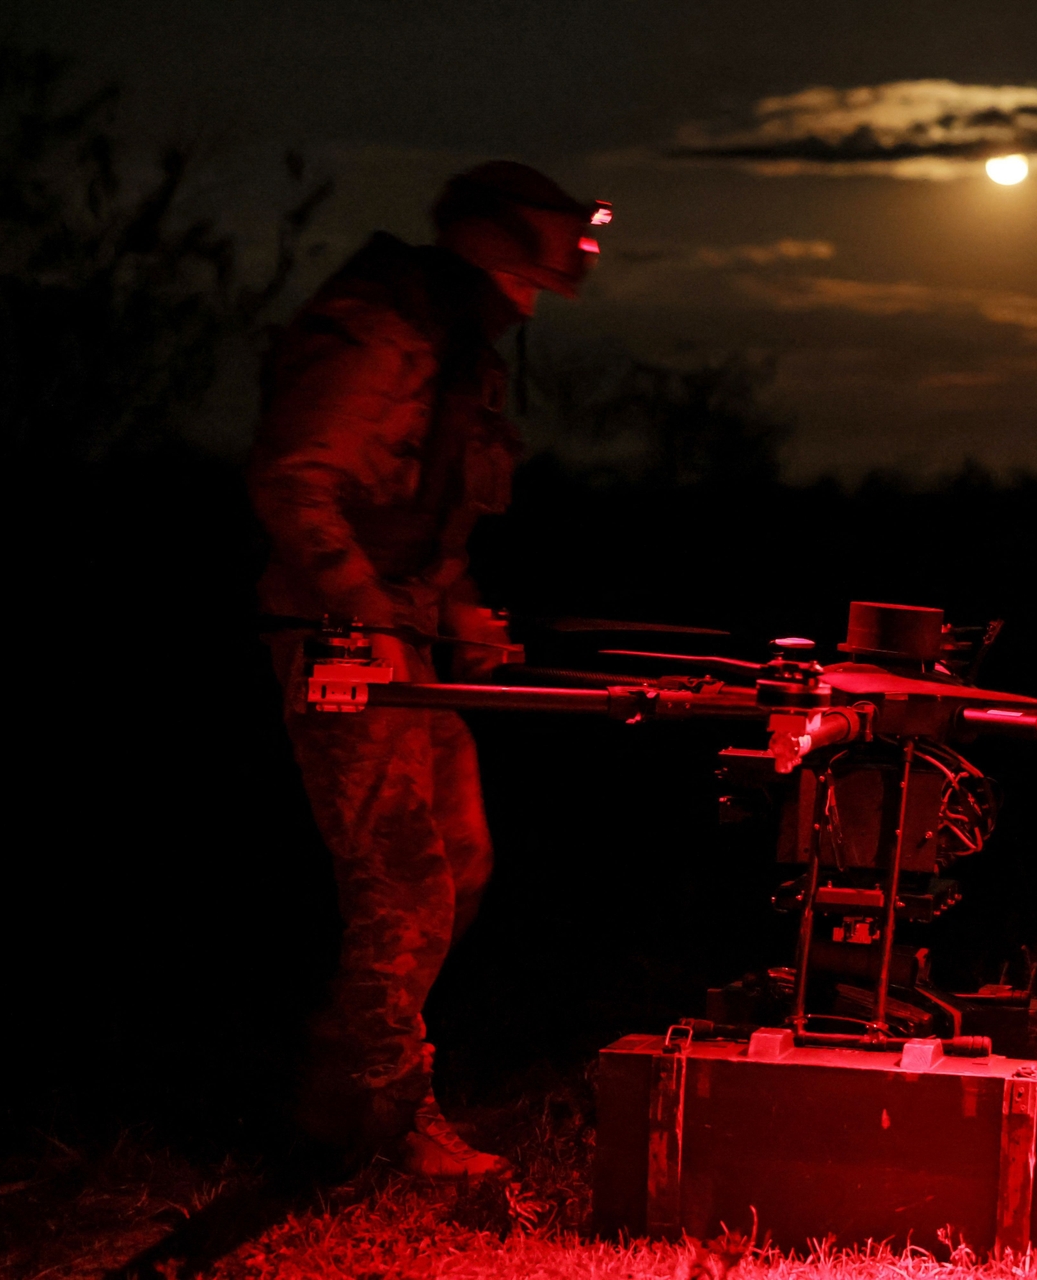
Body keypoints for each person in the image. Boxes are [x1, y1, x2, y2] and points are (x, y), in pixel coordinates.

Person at [250, 161, 607, 1178]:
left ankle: (334, 1098)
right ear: (497, 252)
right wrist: (365, 610)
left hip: (399, 631)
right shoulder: (383, 326)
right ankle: (385, 1120)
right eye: (533, 281)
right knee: (402, 876)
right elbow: (296, 479)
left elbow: (427, 504)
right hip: (339, 635)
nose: (530, 307)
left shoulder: (455, 347)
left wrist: (453, 607)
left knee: (457, 853)